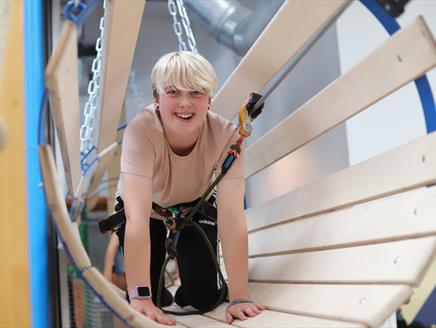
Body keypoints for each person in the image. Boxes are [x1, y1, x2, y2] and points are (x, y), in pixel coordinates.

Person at [117, 51, 265, 325]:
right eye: (173, 92)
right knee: (148, 300)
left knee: (205, 298)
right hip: (148, 212)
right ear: (156, 99)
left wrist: (240, 297)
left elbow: (232, 218)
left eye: (196, 92)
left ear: (209, 100)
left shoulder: (228, 136)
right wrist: (140, 297)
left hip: (194, 208)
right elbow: (135, 218)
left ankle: (188, 292)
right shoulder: (141, 131)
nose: (185, 103)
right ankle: (160, 294)